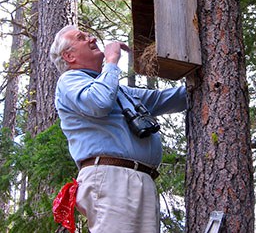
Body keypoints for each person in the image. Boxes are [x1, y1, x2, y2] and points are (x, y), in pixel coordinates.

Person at [50, 24, 187, 233]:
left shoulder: (117, 90)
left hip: (139, 179)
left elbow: (165, 99)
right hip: (111, 179)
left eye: (88, 34)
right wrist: (112, 61)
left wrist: (212, 80)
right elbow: (99, 103)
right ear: (69, 56)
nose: (91, 38)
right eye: (81, 37)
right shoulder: (70, 80)